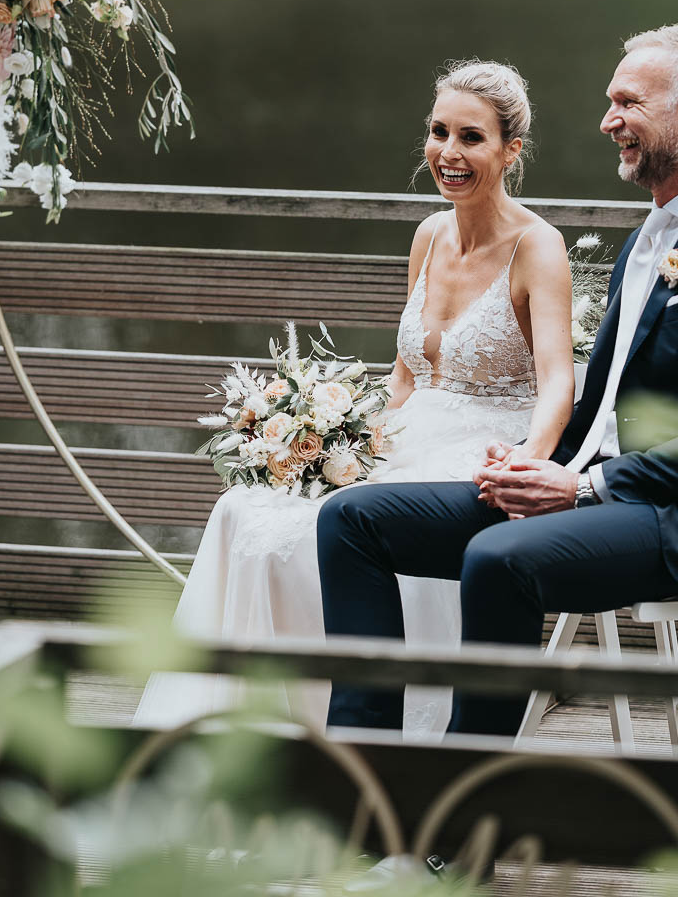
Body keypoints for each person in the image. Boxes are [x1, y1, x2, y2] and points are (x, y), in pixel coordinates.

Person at [319, 24, 678, 740]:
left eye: (627, 103)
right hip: (595, 486)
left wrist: (581, 488)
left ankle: (454, 815)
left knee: (495, 556)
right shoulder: (649, 241)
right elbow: (605, 401)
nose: (609, 121)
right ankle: (368, 769)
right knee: (352, 520)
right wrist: (527, 457)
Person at [135, 61, 573, 738]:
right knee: (246, 512)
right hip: (405, 434)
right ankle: (244, 730)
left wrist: (526, 465)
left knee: (316, 533)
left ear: (511, 150)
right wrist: (346, 438)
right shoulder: (428, 235)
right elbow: (404, 373)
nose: (448, 154)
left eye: (471, 138)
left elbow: (558, 383)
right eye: (438, 133)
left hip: (484, 449)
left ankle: (362, 729)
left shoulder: (538, 247)